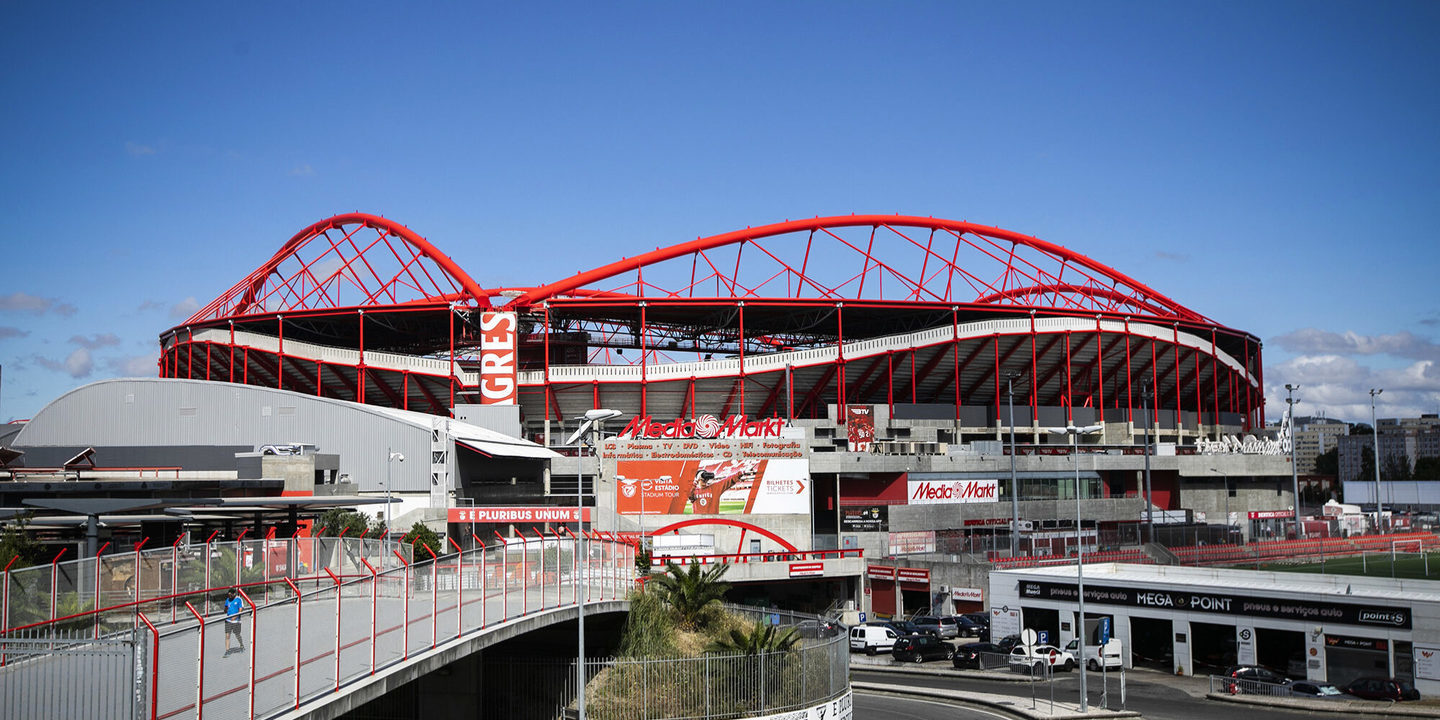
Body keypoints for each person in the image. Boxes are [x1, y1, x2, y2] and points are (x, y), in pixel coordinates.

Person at [224, 588, 245, 656]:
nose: (229, 596)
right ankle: (227, 650)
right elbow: (226, 608)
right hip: (228, 620)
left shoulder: (239, 600)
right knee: (227, 635)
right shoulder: (227, 600)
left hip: (236, 621)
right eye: (228, 595)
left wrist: (235, 617)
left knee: (237, 634)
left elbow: (240, 610)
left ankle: (241, 645)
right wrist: (225, 610)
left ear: (234, 594)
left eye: (231, 595)